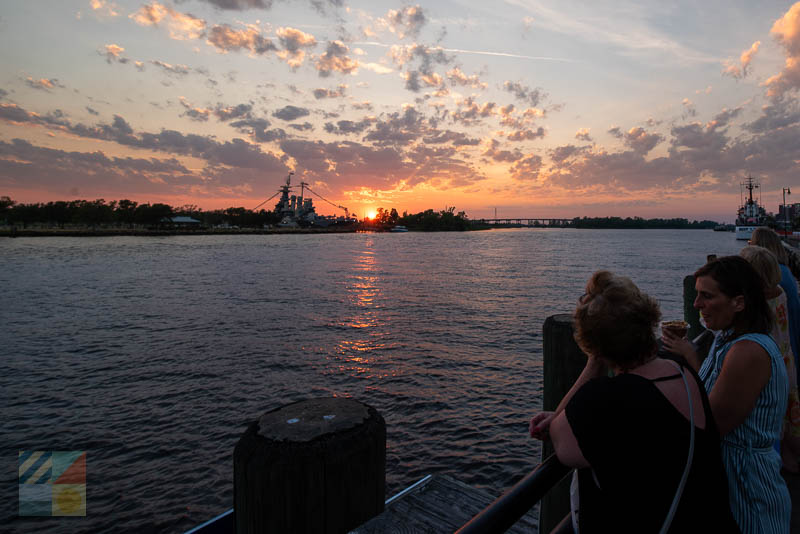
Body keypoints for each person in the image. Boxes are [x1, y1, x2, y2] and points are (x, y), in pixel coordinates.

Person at [530, 270, 739, 533]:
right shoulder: (682, 372)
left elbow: (559, 432)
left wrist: (594, 362)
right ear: (647, 321)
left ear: (592, 343)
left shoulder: (602, 400)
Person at [662, 256, 790, 533]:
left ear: (739, 303)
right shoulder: (727, 339)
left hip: (746, 486)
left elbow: (710, 424)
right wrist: (690, 354)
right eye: (697, 295)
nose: (696, 304)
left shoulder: (748, 352)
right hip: (731, 478)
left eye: (706, 296)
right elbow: (710, 395)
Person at [740, 245, 800, 472]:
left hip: (767, 363)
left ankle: (772, 463)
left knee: (768, 414)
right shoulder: (780, 292)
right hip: (785, 357)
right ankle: (789, 459)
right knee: (785, 410)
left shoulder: (755, 302)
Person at [750, 227, 800, 377]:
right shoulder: (784, 270)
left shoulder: (774, 277)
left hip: (783, 342)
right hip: (789, 338)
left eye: (751, 243)